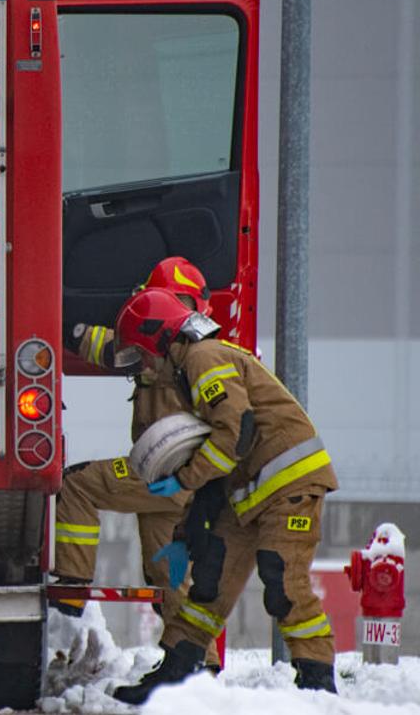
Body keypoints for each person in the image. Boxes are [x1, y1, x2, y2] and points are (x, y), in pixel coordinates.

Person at [108, 288, 340, 703]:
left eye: (141, 354)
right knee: (209, 582)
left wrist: (183, 480)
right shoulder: (189, 370)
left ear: (160, 337)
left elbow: (235, 433)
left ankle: (317, 680)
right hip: (250, 491)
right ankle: (177, 671)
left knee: (282, 577)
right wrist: (187, 530)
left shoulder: (203, 358)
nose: (142, 366)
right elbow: (217, 456)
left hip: (289, 484)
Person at [52, 257, 212, 616]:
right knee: (168, 578)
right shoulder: (199, 345)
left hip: (165, 472)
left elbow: (115, 351)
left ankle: (72, 587)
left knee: (76, 485)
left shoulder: (172, 343)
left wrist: (67, 325)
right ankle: (191, 649)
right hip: (185, 481)